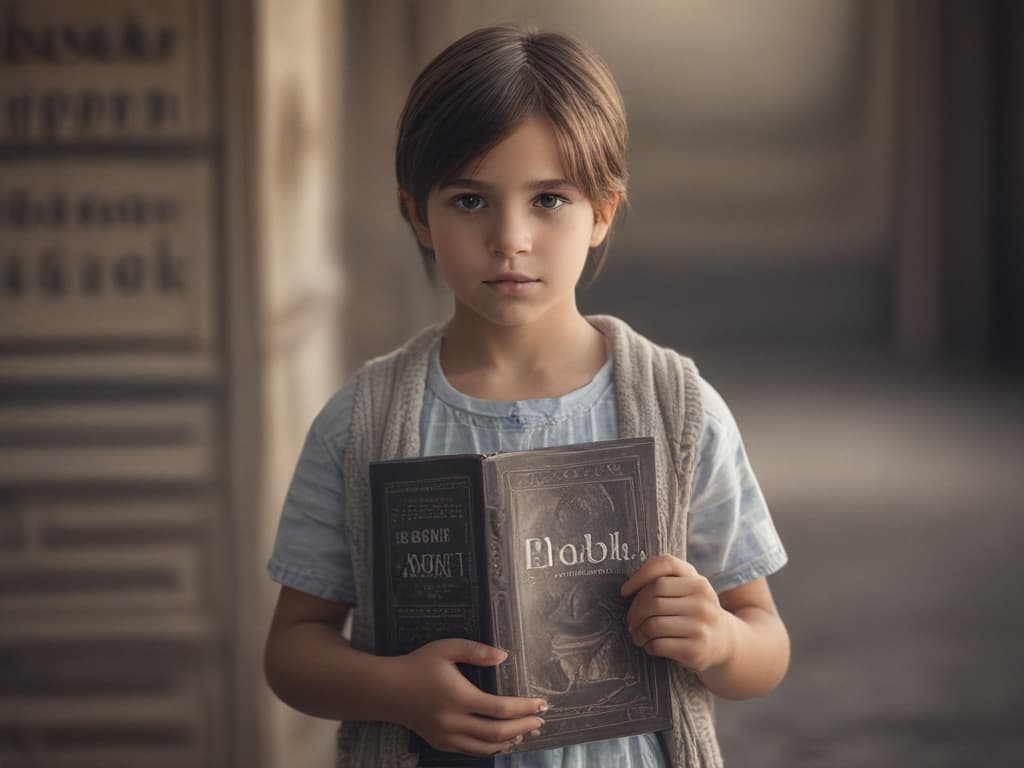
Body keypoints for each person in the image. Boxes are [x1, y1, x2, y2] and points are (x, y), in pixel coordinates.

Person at [264, 25, 790, 768]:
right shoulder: (364, 423)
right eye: (471, 202)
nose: (511, 238)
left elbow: (764, 646)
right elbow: (291, 651)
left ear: (603, 211)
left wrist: (719, 638)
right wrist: (396, 690)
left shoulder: (680, 411)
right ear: (417, 212)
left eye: (549, 199)